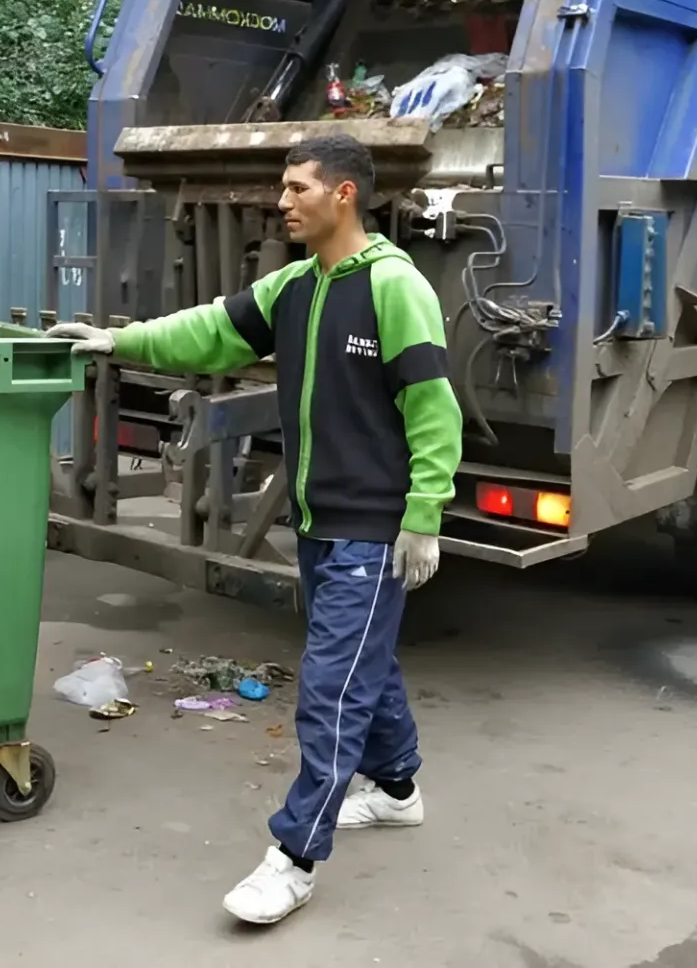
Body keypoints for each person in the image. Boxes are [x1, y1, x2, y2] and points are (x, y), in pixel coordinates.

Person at [49, 132, 462, 925]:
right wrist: (116, 339)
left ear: (343, 193)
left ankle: (294, 856)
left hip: (372, 525)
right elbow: (209, 328)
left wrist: (423, 517)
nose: (282, 201)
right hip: (316, 519)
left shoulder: (395, 288)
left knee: (330, 687)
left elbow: (432, 410)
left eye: (298, 187)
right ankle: (400, 786)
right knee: (359, 664)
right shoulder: (294, 289)